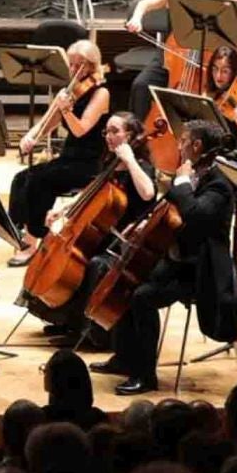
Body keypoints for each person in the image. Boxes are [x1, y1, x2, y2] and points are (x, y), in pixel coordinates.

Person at [99, 121, 237, 394]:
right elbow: (169, 207)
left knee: (142, 297)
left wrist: (182, 181)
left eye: (184, 140)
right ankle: (125, 358)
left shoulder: (220, 184)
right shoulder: (191, 172)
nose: (179, 144)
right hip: (176, 258)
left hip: (199, 269)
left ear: (197, 146)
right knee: (127, 280)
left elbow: (195, 216)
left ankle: (145, 375)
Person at [28, 113, 159, 348]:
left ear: (130, 135)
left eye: (115, 131)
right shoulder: (109, 164)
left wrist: (130, 161)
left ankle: (87, 332)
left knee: (94, 264)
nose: (109, 136)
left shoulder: (141, 167)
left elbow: (149, 193)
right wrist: (64, 209)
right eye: (107, 132)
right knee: (52, 252)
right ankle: (64, 319)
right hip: (102, 233)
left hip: (124, 241)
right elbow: (92, 190)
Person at [8, 40, 111, 267]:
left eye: (79, 65)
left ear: (93, 66)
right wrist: (31, 137)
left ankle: (34, 241)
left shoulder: (101, 93)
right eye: (71, 65)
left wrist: (66, 108)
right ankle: (18, 234)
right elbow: (48, 122)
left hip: (89, 162)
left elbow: (81, 129)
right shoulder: (71, 92)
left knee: (39, 181)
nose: (74, 70)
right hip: (68, 158)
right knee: (21, 178)